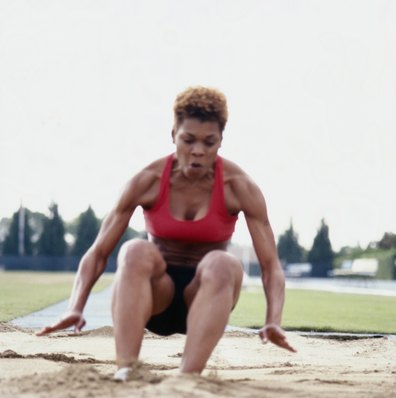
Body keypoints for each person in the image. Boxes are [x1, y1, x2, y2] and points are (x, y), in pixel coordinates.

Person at [38, 86, 296, 378]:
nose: (198, 150)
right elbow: (98, 252)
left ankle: (187, 377)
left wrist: (273, 319)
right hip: (154, 298)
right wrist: (76, 306)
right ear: (173, 134)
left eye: (209, 142)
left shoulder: (239, 186)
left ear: (221, 141)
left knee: (224, 262)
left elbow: (271, 266)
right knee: (135, 250)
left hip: (204, 298)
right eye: (188, 140)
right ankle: (126, 370)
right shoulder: (147, 180)